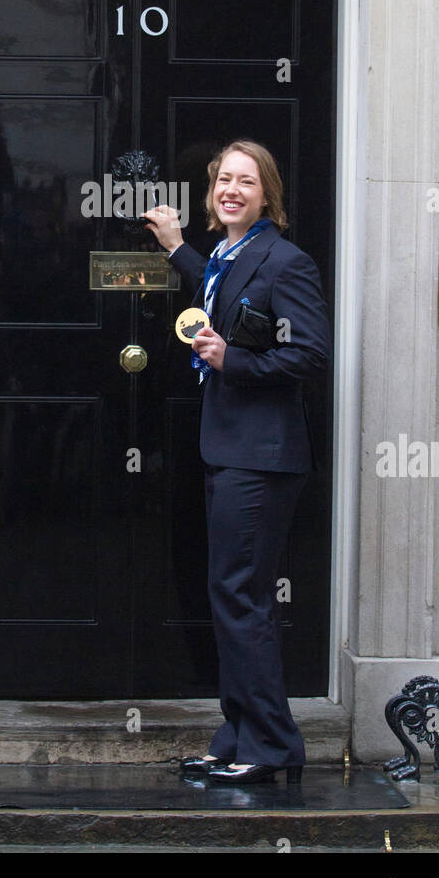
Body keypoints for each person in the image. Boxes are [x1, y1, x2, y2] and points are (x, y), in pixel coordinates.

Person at [143, 140, 331, 786]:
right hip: (230, 450)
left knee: (240, 596)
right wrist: (174, 247)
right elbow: (216, 284)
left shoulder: (287, 261)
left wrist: (237, 362)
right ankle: (238, 736)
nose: (232, 189)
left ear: (267, 195)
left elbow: (311, 354)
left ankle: (272, 746)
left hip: (263, 457)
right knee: (231, 596)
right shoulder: (228, 255)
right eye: (224, 179)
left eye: (246, 182)